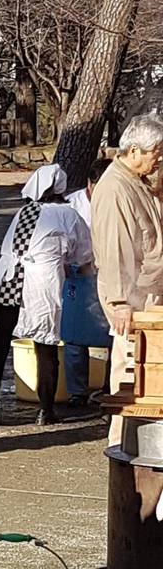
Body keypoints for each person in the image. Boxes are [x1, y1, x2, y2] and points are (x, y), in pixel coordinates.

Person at [0, 165, 93, 426]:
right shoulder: (68, 214)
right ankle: (46, 409)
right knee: (46, 345)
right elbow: (84, 255)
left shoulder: (23, 211)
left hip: (8, 280)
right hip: (42, 281)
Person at [91, 113, 163, 446]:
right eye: (156, 152)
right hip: (131, 301)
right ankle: (123, 449)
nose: (159, 158)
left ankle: (140, 444)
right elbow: (113, 248)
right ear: (134, 150)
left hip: (148, 293)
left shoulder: (138, 182)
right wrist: (119, 302)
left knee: (150, 376)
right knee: (131, 380)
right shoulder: (115, 187)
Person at [62, 157, 112, 406]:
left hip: (110, 272)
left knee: (115, 333)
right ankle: (77, 392)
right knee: (75, 337)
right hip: (77, 276)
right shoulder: (71, 205)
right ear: (90, 184)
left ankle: (109, 386)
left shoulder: (117, 199)